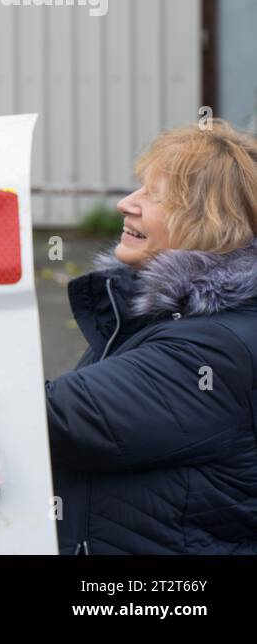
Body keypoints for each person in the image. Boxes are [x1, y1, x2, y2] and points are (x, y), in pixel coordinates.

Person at [46, 119, 257, 553]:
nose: (127, 204)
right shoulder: (167, 317)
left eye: (154, 196)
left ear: (212, 223)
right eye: (138, 187)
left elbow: (58, 419)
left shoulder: (211, 352)